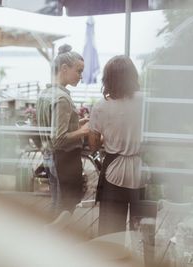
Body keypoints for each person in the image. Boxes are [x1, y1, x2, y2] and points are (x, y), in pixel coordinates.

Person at [89, 55, 151, 236]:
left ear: (107, 79)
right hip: (141, 169)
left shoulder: (101, 106)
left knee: (111, 232)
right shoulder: (145, 101)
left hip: (113, 172)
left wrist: (108, 137)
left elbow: (93, 145)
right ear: (133, 76)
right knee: (141, 231)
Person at [37, 44, 90, 220]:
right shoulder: (62, 98)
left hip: (49, 156)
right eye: (79, 71)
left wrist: (77, 123)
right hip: (64, 159)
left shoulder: (46, 93)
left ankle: (49, 238)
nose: (81, 76)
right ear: (65, 69)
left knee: (56, 203)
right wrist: (84, 131)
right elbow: (59, 138)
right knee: (65, 207)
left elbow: (52, 128)